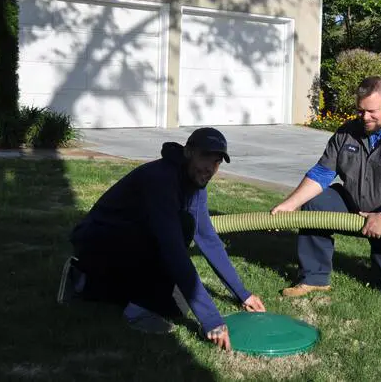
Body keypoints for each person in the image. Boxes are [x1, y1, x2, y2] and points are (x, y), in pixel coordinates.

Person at [57, 127, 265, 349]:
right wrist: (211, 319)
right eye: (205, 157)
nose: (209, 168)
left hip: (122, 242)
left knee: (170, 306)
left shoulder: (194, 185)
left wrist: (243, 293)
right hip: (97, 242)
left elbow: (207, 238)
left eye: (216, 162)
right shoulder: (161, 179)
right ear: (188, 152)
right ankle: (136, 311)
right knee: (177, 234)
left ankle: (84, 281)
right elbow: (173, 251)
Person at [271, 77, 381, 297]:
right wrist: (289, 204)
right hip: (355, 207)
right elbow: (322, 174)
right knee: (316, 202)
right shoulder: (347, 132)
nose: (364, 117)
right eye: (360, 111)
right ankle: (314, 278)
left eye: (371, 111)